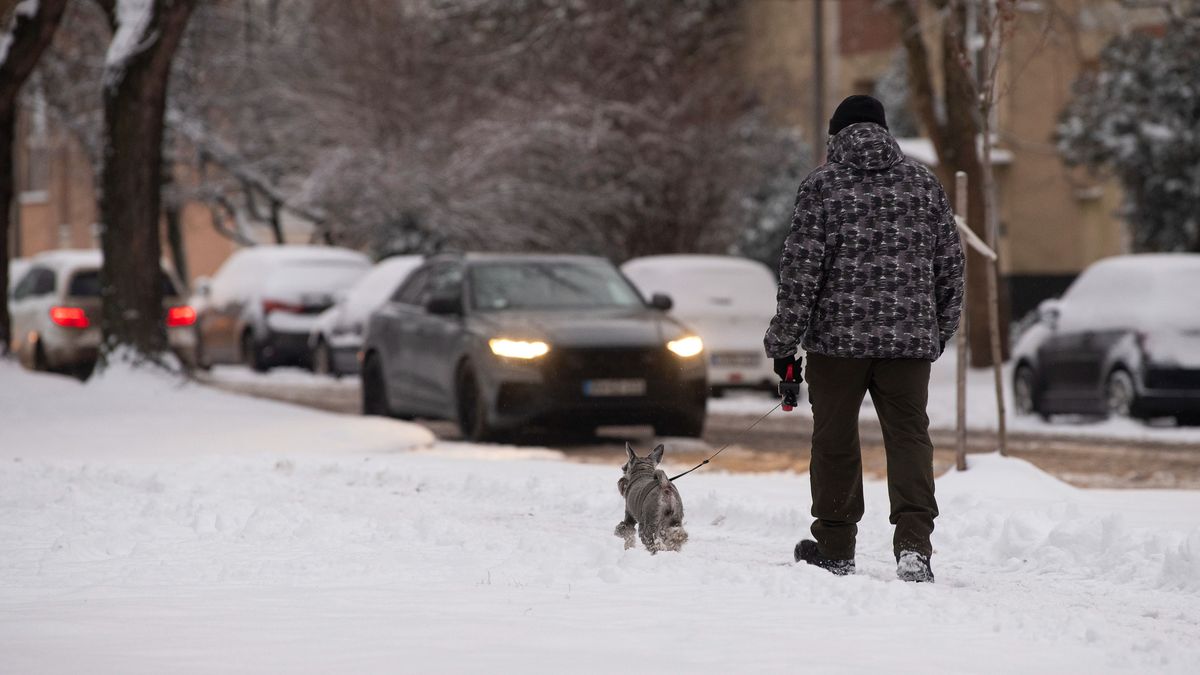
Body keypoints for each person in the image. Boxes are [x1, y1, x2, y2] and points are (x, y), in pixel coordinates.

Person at [764, 95, 965, 583]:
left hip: (838, 343)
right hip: (909, 343)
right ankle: (915, 548)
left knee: (835, 440)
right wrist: (938, 331)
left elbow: (801, 274)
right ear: (884, 130)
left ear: (836, 135)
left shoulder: (822, 187)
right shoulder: (923, 184)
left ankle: (835, 546)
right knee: (910, 439)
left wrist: (784, 345)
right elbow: (951, 266)